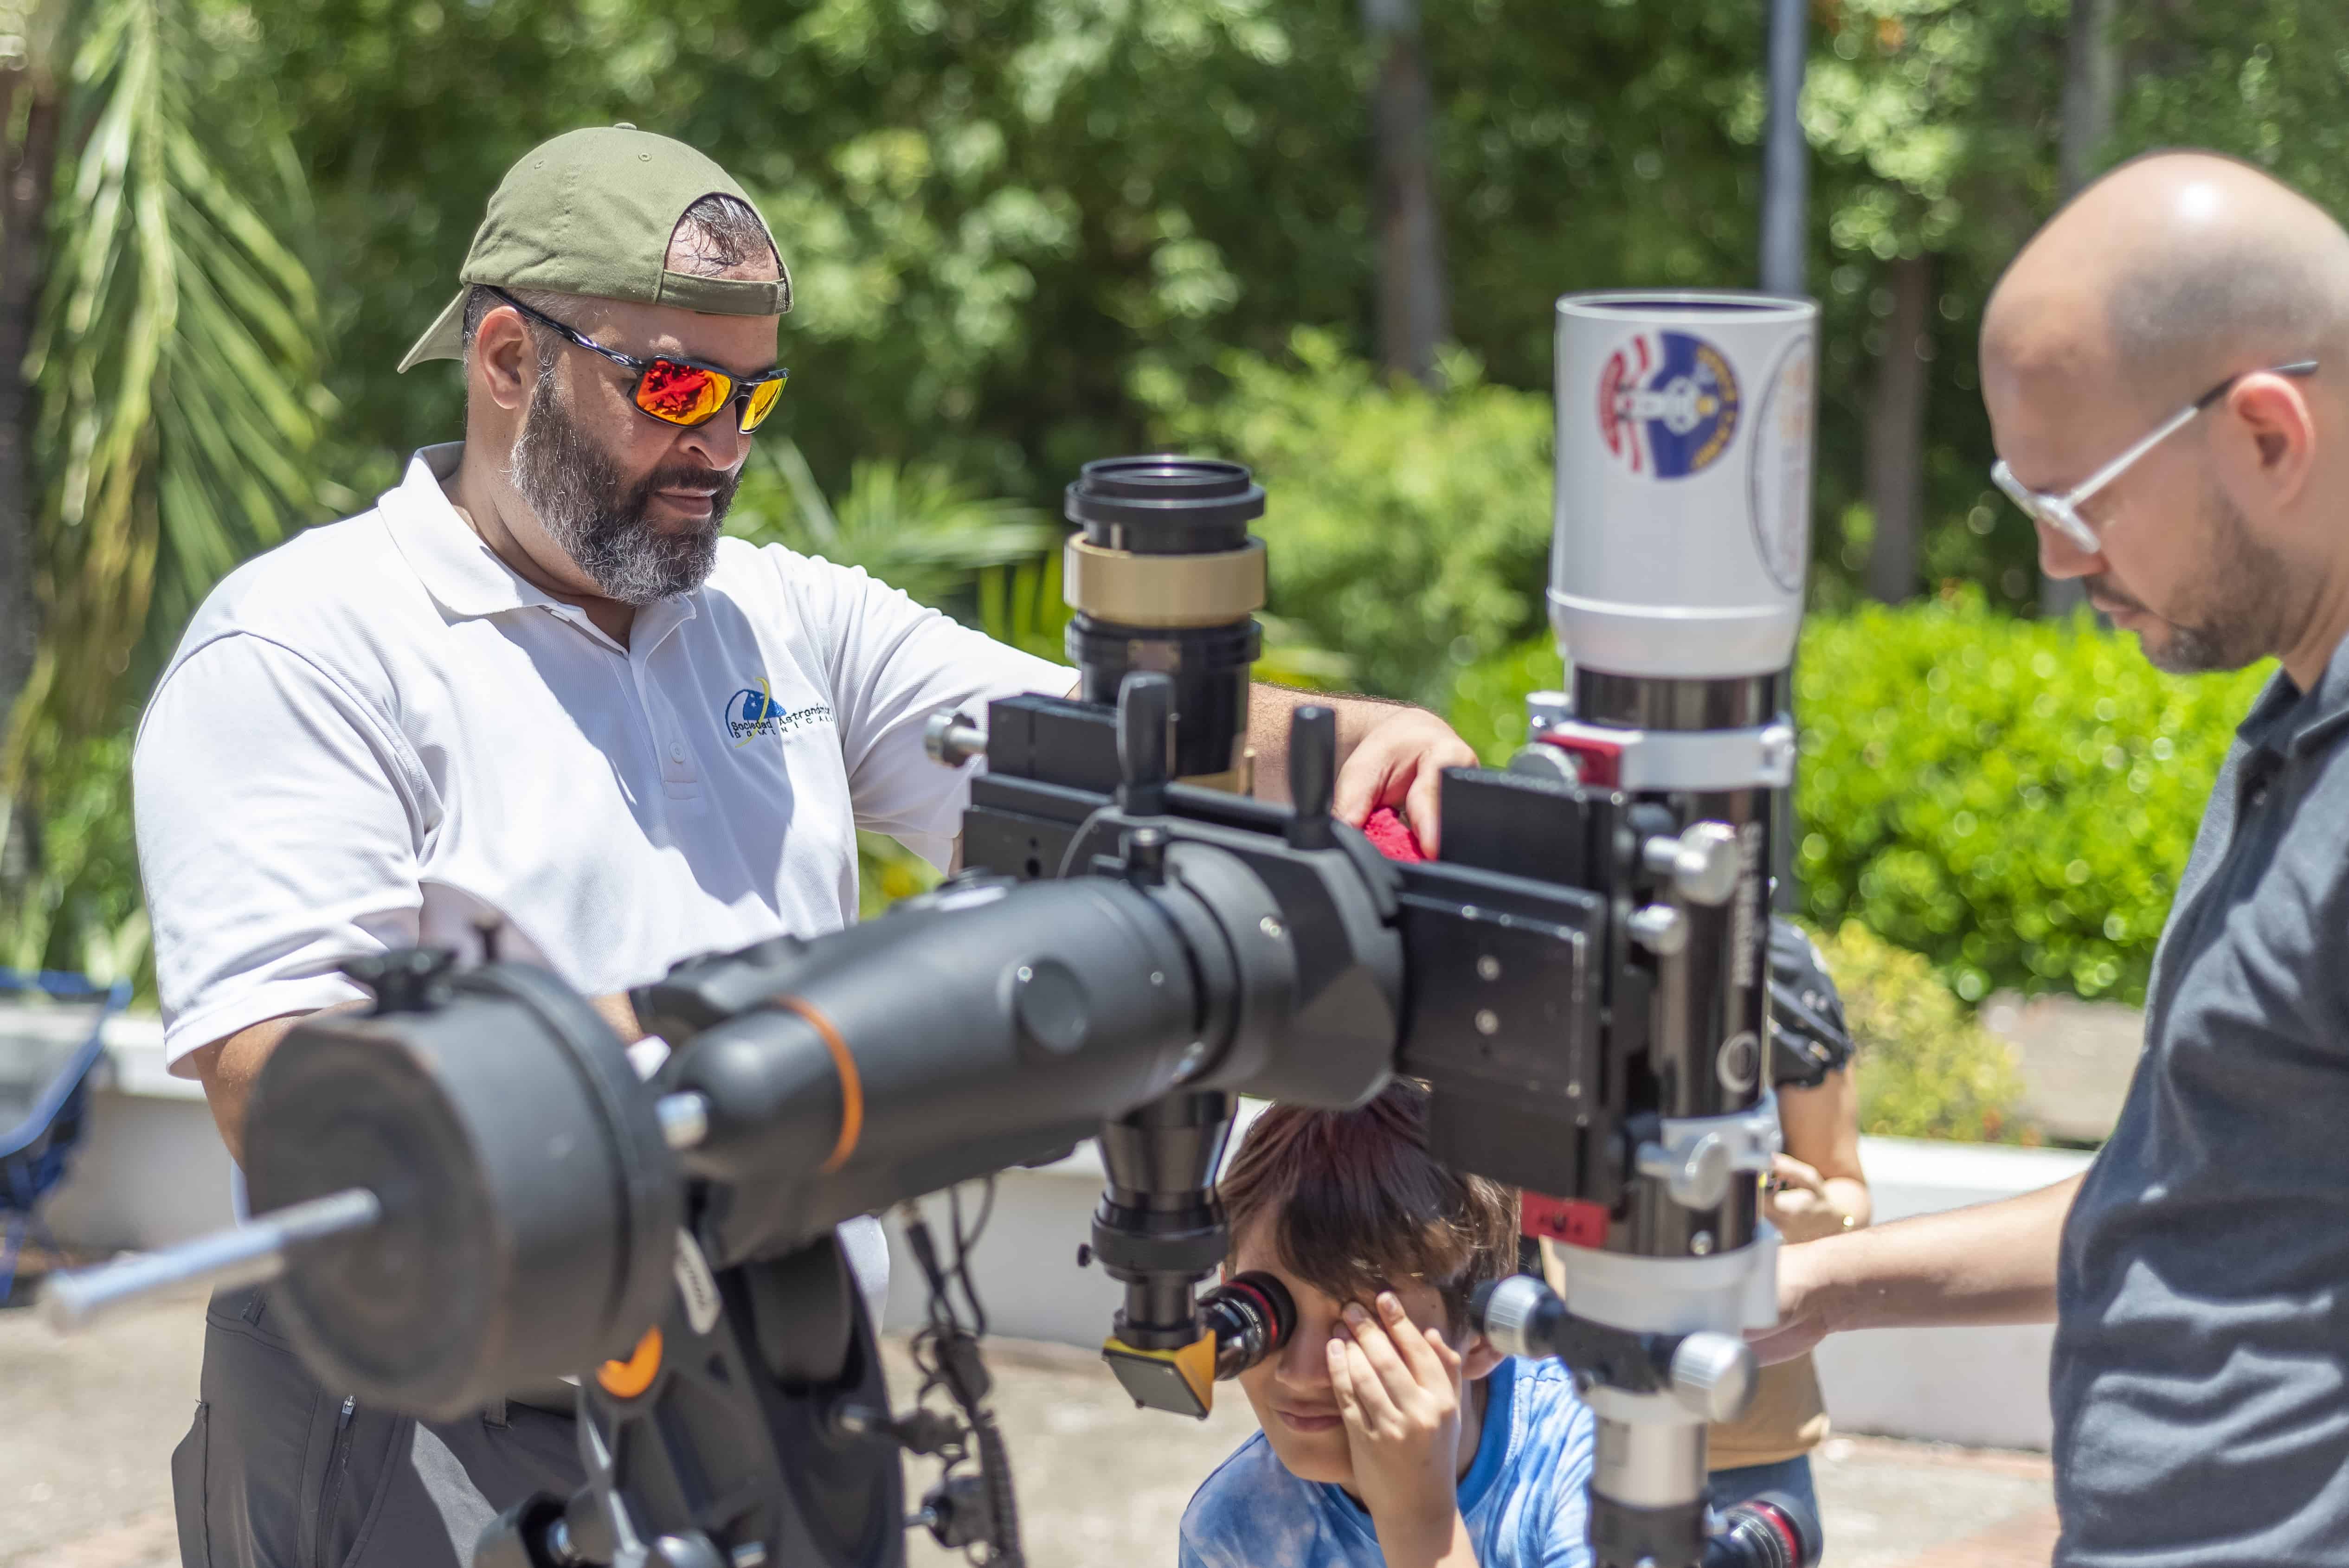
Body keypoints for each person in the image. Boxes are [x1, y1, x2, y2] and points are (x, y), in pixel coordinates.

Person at [135, 125, 1478, 1568]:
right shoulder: (310, 642)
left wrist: (1375, 735)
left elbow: (1087, 741)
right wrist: (722, 1049)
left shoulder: (777, 618)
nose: (719, 445)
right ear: (510, 360)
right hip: (448, 1420)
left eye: (752, 394)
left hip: (780, 1386)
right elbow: (279, 1088)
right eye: (673, 386)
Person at [1758, 149, 2349, 1567]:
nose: (2061, 570)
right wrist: (1821, 1282)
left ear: (2267, 433)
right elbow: (2207, 1176)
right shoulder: (2291, 729)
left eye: (2070, 512)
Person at [1180, 1080, 1597, 1568]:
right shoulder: (1233, 1531)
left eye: (1362, 1325)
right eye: (1270, 1312)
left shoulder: (1590, 1456)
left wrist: (1420, 1521)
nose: (1300, 1372)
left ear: (1485, 1329)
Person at [1705, 923, 1871, 1524]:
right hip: (1512, 1421)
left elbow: (1847, 1196)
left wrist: (1818, 1216)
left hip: (1736, 1441)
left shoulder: (1773, 959)